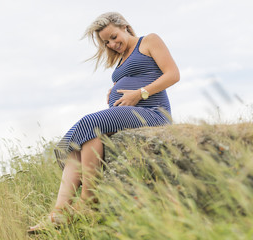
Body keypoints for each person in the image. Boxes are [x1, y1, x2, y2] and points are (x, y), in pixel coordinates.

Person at [27, 12, 179, 234]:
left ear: (125, 27)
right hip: (131, 112)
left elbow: (173, 74)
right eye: (106, 42)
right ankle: (58, 212)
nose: (112, 44)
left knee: (89, 122)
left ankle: (88, 200)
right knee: (85, 138)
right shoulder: (121, 58)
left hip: (153, 112)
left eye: (114, 37)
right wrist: (115, 89)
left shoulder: (149, 41)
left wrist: (140, 93)